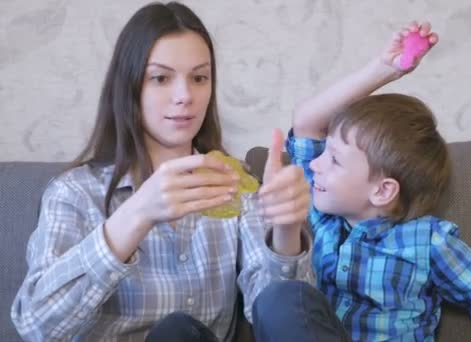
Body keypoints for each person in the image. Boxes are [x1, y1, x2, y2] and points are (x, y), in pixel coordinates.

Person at [10, 2, 323, 341]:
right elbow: (35, 327)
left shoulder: (234, 184)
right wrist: (137, 215)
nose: (185, 96)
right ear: (129, 87)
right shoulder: (73, 193)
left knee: (256, 308)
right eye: (160, 78)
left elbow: (277, 313)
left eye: (199, 78)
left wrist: (287, 230)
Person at [287, 22, 471, 341]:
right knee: (285, 304)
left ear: (382, 191)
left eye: (334, 159)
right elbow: (306, 122)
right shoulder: (325, 216)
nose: (314, 164)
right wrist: (383, 69)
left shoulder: (428, 242)